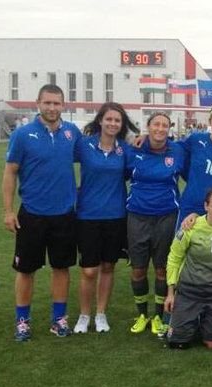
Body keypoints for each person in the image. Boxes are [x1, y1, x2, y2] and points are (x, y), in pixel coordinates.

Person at [2, 84, 81, 341]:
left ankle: (59, 320)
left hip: (64, 214)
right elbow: (10, 172)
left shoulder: (72, 133)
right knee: (26, 270)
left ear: (63, 105)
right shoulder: (23, 135)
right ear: (38, 103)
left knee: (62, 267)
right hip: (32, 213)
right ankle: (22, 321)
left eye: (57, 103)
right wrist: (8, 211)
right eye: (47, 103)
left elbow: (94, 151)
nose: (52, 108)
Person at [72, 102, 139, 334]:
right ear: (100, 120)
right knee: (89, 270)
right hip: (87, 215)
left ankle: (100, 314)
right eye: (109, 119)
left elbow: (137, 171)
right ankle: (83, 315)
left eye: (117, 120)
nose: (112, 124)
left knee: (108, 266)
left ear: (122, 125)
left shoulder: (125, 150)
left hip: (116, 215)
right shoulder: (84, 145)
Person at [126, 112, 185, 337]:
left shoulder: (177, 150)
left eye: (164, 125)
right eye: (156, 124)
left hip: (166, 216)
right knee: (139, 268)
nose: (160, 128)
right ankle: (142, 314)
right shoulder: (134, 150)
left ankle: (159, 316)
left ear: (169, 128)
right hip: (137, 216)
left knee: (162, 269)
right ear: (148, 127)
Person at [163, 189, 212, 350]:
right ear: (206, 206)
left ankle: (202, 320)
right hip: (189, 290)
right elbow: (174, 258)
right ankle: (190, 319)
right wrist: (171, 293)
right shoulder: (190, 226)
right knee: (178, 343)